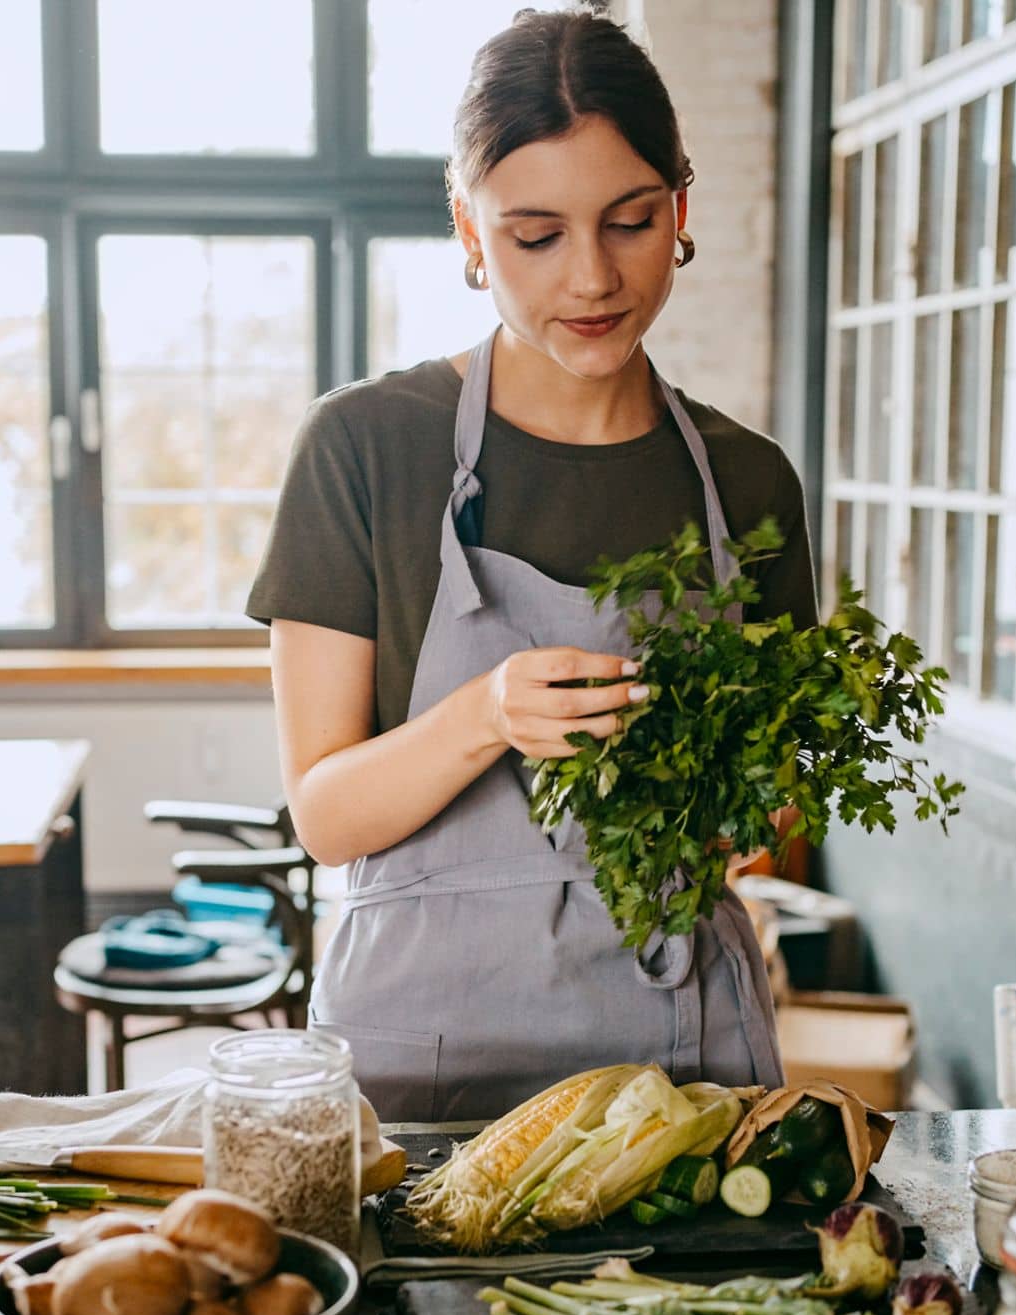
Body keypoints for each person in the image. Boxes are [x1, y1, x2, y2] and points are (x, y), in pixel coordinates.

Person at [246, 8, 817, 1121]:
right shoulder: (365, 448)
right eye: (535, 234)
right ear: (468, 231)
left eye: (630, 220)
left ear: (679, 210)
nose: (593, 278)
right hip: (422, 1058)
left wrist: (750, 800)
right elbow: (323, 817)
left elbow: (770, 821)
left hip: (678, 1053)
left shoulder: (746, 485)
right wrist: (487, 715)